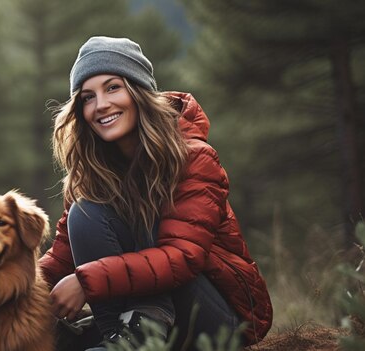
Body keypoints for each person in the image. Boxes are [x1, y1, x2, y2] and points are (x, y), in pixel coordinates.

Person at [38, 36, 272, 350]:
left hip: (213, 320)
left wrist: (84, 281)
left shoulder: (193, 157)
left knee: (145, 236)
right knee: (85, 213)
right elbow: (62, 255)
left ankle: (130, 341)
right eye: (87, 97)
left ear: (139, 92)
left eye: (113, 87)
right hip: (142, 320)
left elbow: (183, 258)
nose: (101, 105)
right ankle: (120, 341)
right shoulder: (94, 171)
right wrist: (10, 292)